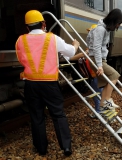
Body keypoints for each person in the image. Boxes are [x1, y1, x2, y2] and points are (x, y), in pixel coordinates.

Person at [15, 10, 80, 156]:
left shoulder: (21, 40)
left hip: (30, 83)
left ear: (27, 27)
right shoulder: (53, 38)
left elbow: (20, 59)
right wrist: (75, 45)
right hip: (50, 83)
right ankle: (66, 147)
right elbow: (70, 53)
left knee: (36, 116)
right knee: (58, 114)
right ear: (44, 24)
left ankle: (41, 149)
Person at [86, 8, 122, 111]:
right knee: (114, 75)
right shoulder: (100, 29)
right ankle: (106, 101)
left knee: (107, 82)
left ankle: (104, 103)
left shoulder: (104, 29)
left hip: (99, 59)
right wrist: (99, 65)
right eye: (118, 23)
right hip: (96, 59)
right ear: (114, 20)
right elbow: (97, 47)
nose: (118, 26)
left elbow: (89, 39)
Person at [70, 24, 103, 117]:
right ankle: (101, 111)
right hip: (95, 75)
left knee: (97, 94)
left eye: (90, 32)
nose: (89, 35)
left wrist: (70, 58)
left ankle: (99, 112)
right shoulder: (95, 46)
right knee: (99, 94)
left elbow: (83, 54)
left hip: (96, 76)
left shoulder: (93, 47)